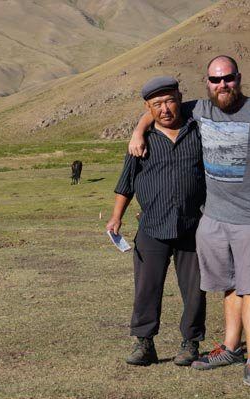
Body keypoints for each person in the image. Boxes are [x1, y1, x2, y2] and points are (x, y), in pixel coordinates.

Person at [128, 55, 250, 389]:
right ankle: (230, 348)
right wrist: (138, 131)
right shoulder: (200, 109)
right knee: (230, 284)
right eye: (215, 80)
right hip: (215, 218)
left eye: (228, 78)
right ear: (207, 83)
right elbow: (160, 107)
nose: (223, 85)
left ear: (239, 78)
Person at [106, 76, 207, 367]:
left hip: (193, 225)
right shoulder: (142, 142)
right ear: (148, 108)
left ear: (180, 99)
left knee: (194, 288)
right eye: (157, 104)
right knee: (147, 287)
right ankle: (144, 343)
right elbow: (125, 183)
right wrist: (116, 217)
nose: (165, 109)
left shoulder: (198, 132)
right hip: (152, 226)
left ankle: (190, 343)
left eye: (170, 101)